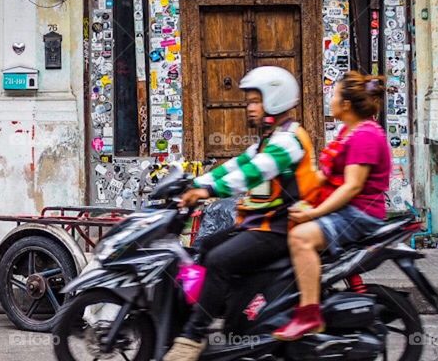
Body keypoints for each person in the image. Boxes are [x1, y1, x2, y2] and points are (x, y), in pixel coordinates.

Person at [164, 66, 320, 361]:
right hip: (259, 225)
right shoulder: (269, 139)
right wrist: (194, 183)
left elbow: (252, 173)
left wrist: (208, 191)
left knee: (218, 260)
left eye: (255, 101)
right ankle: (223, 315)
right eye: (249, 102)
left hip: (280, 228)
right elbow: (235, 165)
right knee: (203, 248)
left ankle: (192, 337)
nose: (249, 108)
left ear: (274, 100)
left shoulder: (289, 140)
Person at [272, 71, 391, 341]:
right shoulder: (349, 131)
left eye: (334, 95)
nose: (331, 100)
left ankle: (309, 314)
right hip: (345, 208)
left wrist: (313, 213)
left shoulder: (365, 136)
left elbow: (352, 187)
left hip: (359, 213)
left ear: (346, 104)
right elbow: (325, 176)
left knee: (300, 238)